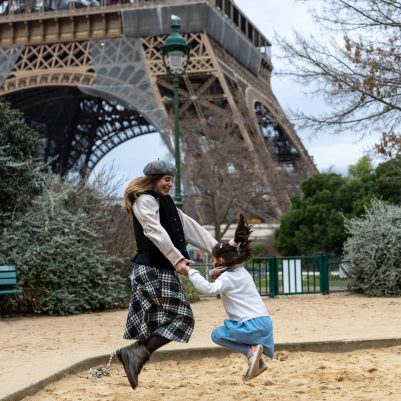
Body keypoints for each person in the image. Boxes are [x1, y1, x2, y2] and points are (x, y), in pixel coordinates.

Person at [117, 160, 218, 390]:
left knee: (155, 323)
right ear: (154, 179)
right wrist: (178, 259)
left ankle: (135, 355)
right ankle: (135, 354)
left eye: (172, 179)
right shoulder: (145, 201)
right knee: (183, 318)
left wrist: (216, 249)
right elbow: (154, 231)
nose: (170, 184)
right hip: (152, 270)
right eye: (166, 179)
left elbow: (190, 227)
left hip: (159, 271)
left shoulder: (165, 203)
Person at [180, 214, 274, 381]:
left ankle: (250, 352)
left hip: (250, 324)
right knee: (228, 334)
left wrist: (190, 272)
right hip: (265, 323)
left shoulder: (227, 278)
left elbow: (208, 289)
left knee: (217, 335)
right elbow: (227, 277)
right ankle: (256, 359)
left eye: (215, 260)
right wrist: (212, 273)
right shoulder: (242, 272)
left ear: (221, 260)